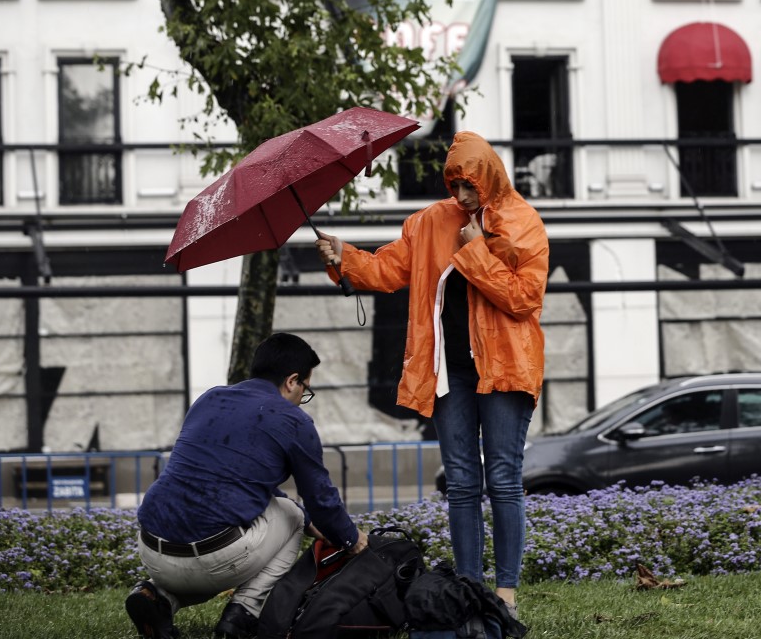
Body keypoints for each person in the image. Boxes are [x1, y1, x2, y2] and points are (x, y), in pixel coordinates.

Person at [315, 130, 548, 615]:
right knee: (461, 482)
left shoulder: (522, 222)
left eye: (470, 186)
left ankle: (505, 594)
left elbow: (524, 298)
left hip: (504, 368)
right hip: (448, 373)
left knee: (503, 478)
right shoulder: (427, 223)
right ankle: (468, 588)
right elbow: (386, 270)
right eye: (454, 185)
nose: (462, 195)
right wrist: (344, 257)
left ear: (489, 179)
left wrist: (477, 250)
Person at [125, 332, 366, 639]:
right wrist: (351, 538)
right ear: (292, 381)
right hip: (211, 559)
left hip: (151, 548)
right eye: (306, 389)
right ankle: (243, 615)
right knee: (292, 515)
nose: (302, 398)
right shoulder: (293, 420)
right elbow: (320, 498)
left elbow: (240, 477)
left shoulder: (210, 398)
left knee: (206, 562)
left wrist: (312, 522)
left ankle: (156, 598)